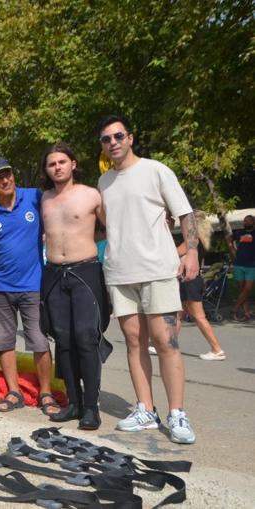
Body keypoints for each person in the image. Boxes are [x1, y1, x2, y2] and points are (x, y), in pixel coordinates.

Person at [97, 114, 199, 444]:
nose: (112, 142)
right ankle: (146, 409)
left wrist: (192, 252)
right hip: (120, 272)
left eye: (118, 136)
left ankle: (177, 413)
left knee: (165, 341)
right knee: (134, 342)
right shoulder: (104, 183)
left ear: (130, 138)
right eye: (106, 139)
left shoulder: (156, 170)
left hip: (157, 268)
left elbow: (185, 214)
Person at [0, 156, 57, 415]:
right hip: (0, 286)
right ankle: (14, 392)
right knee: (4, 342)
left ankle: (46, 393)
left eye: (7, 173)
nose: (5, 180)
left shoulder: (34, 197)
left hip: (33, 285)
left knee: (39, 341)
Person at [39, 143, 110, 429]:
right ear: (46, 170)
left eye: (62, 162)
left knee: (85, 337)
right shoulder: (43, 199)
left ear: (73, 164)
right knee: (63, 340)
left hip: (85, 271)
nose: (57, 167)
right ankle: (74, 403)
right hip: (54, 274)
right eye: (52, 164)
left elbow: (111, 230)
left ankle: (91, 407)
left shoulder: (91, 194)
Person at [167, 211, 225, 360]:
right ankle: (168, 344)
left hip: (190, 281)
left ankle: (216, 349)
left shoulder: (192, 241)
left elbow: (173, 253)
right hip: (190, 280)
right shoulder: (201, 240)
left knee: (199, 317)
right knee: (179, 316)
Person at [227, 214, 255, 321]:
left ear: (253, 222)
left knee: (247, 289)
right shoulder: (239, 233)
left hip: (252, 266)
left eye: (249, 221)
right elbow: (229, 239)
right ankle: (246, 312)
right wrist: (232, 250)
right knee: (242, 290)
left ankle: (234, 309)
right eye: (245, 221)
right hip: (238, 264)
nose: (246, 222)